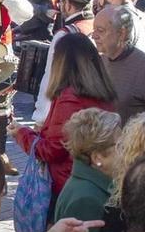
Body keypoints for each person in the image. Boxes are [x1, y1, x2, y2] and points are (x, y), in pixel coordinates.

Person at [17, 31, 118, 195]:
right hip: (98, 178)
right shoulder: (103, 91)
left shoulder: (70, 98)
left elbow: (53, 150)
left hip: (68, 182)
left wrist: (22, 134)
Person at [91, 5, 145, 123]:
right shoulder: (99, 63)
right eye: (94, 30)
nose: (94, 36)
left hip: (135, 139)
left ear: (122, 33)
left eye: (101, 30)